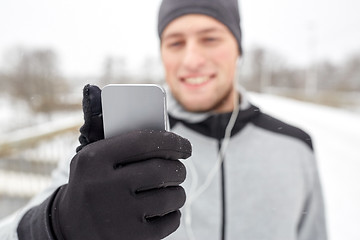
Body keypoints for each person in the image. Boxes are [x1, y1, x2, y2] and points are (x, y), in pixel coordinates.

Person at [0, 0, 327, 239]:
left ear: (238, 48)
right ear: (162, 53)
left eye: (210, 38)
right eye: (175, 42)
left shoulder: (294, 146)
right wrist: (56, 223)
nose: (192, 59)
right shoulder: (121, 144)